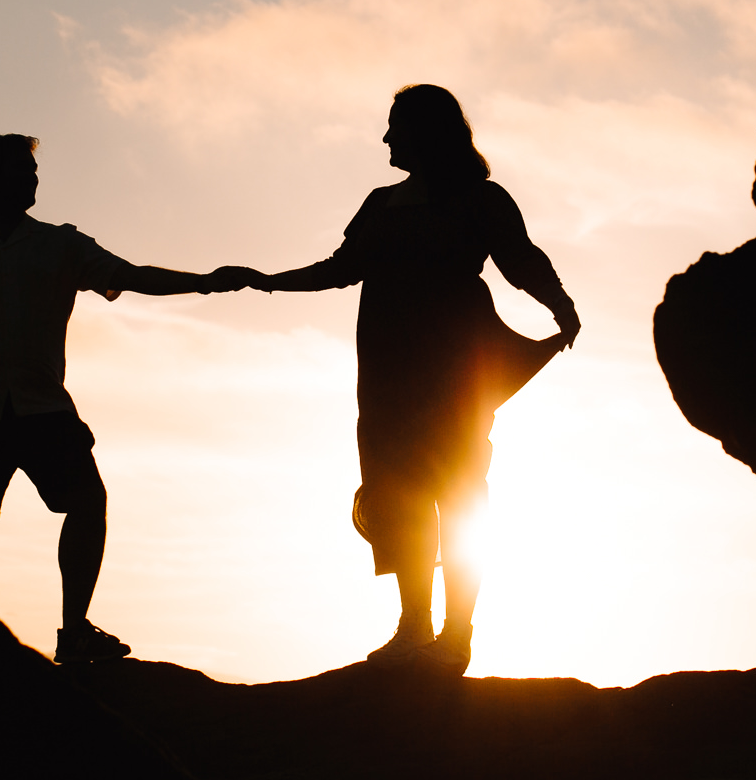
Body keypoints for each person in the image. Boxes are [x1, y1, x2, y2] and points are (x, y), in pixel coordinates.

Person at [236, 85, 578, 676]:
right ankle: (414, 628)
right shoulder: (379, 203)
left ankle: (457, 635)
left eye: (397, 125)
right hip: (388, 374)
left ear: (430, 131)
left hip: (455, 371)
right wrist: (267, 280)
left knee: (461, 493)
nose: (388, 137)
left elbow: (520, 257)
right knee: (400, 499)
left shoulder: (481, 199)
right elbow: (340, 269)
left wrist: (559, 303)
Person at [0, 133, 244, 664]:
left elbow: (129, 275)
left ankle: (75, 629)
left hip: (44, 407)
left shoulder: (61, 244)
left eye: (34, 171)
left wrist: (202, 283)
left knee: (87, 500)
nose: (34, 179)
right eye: (22, 170)